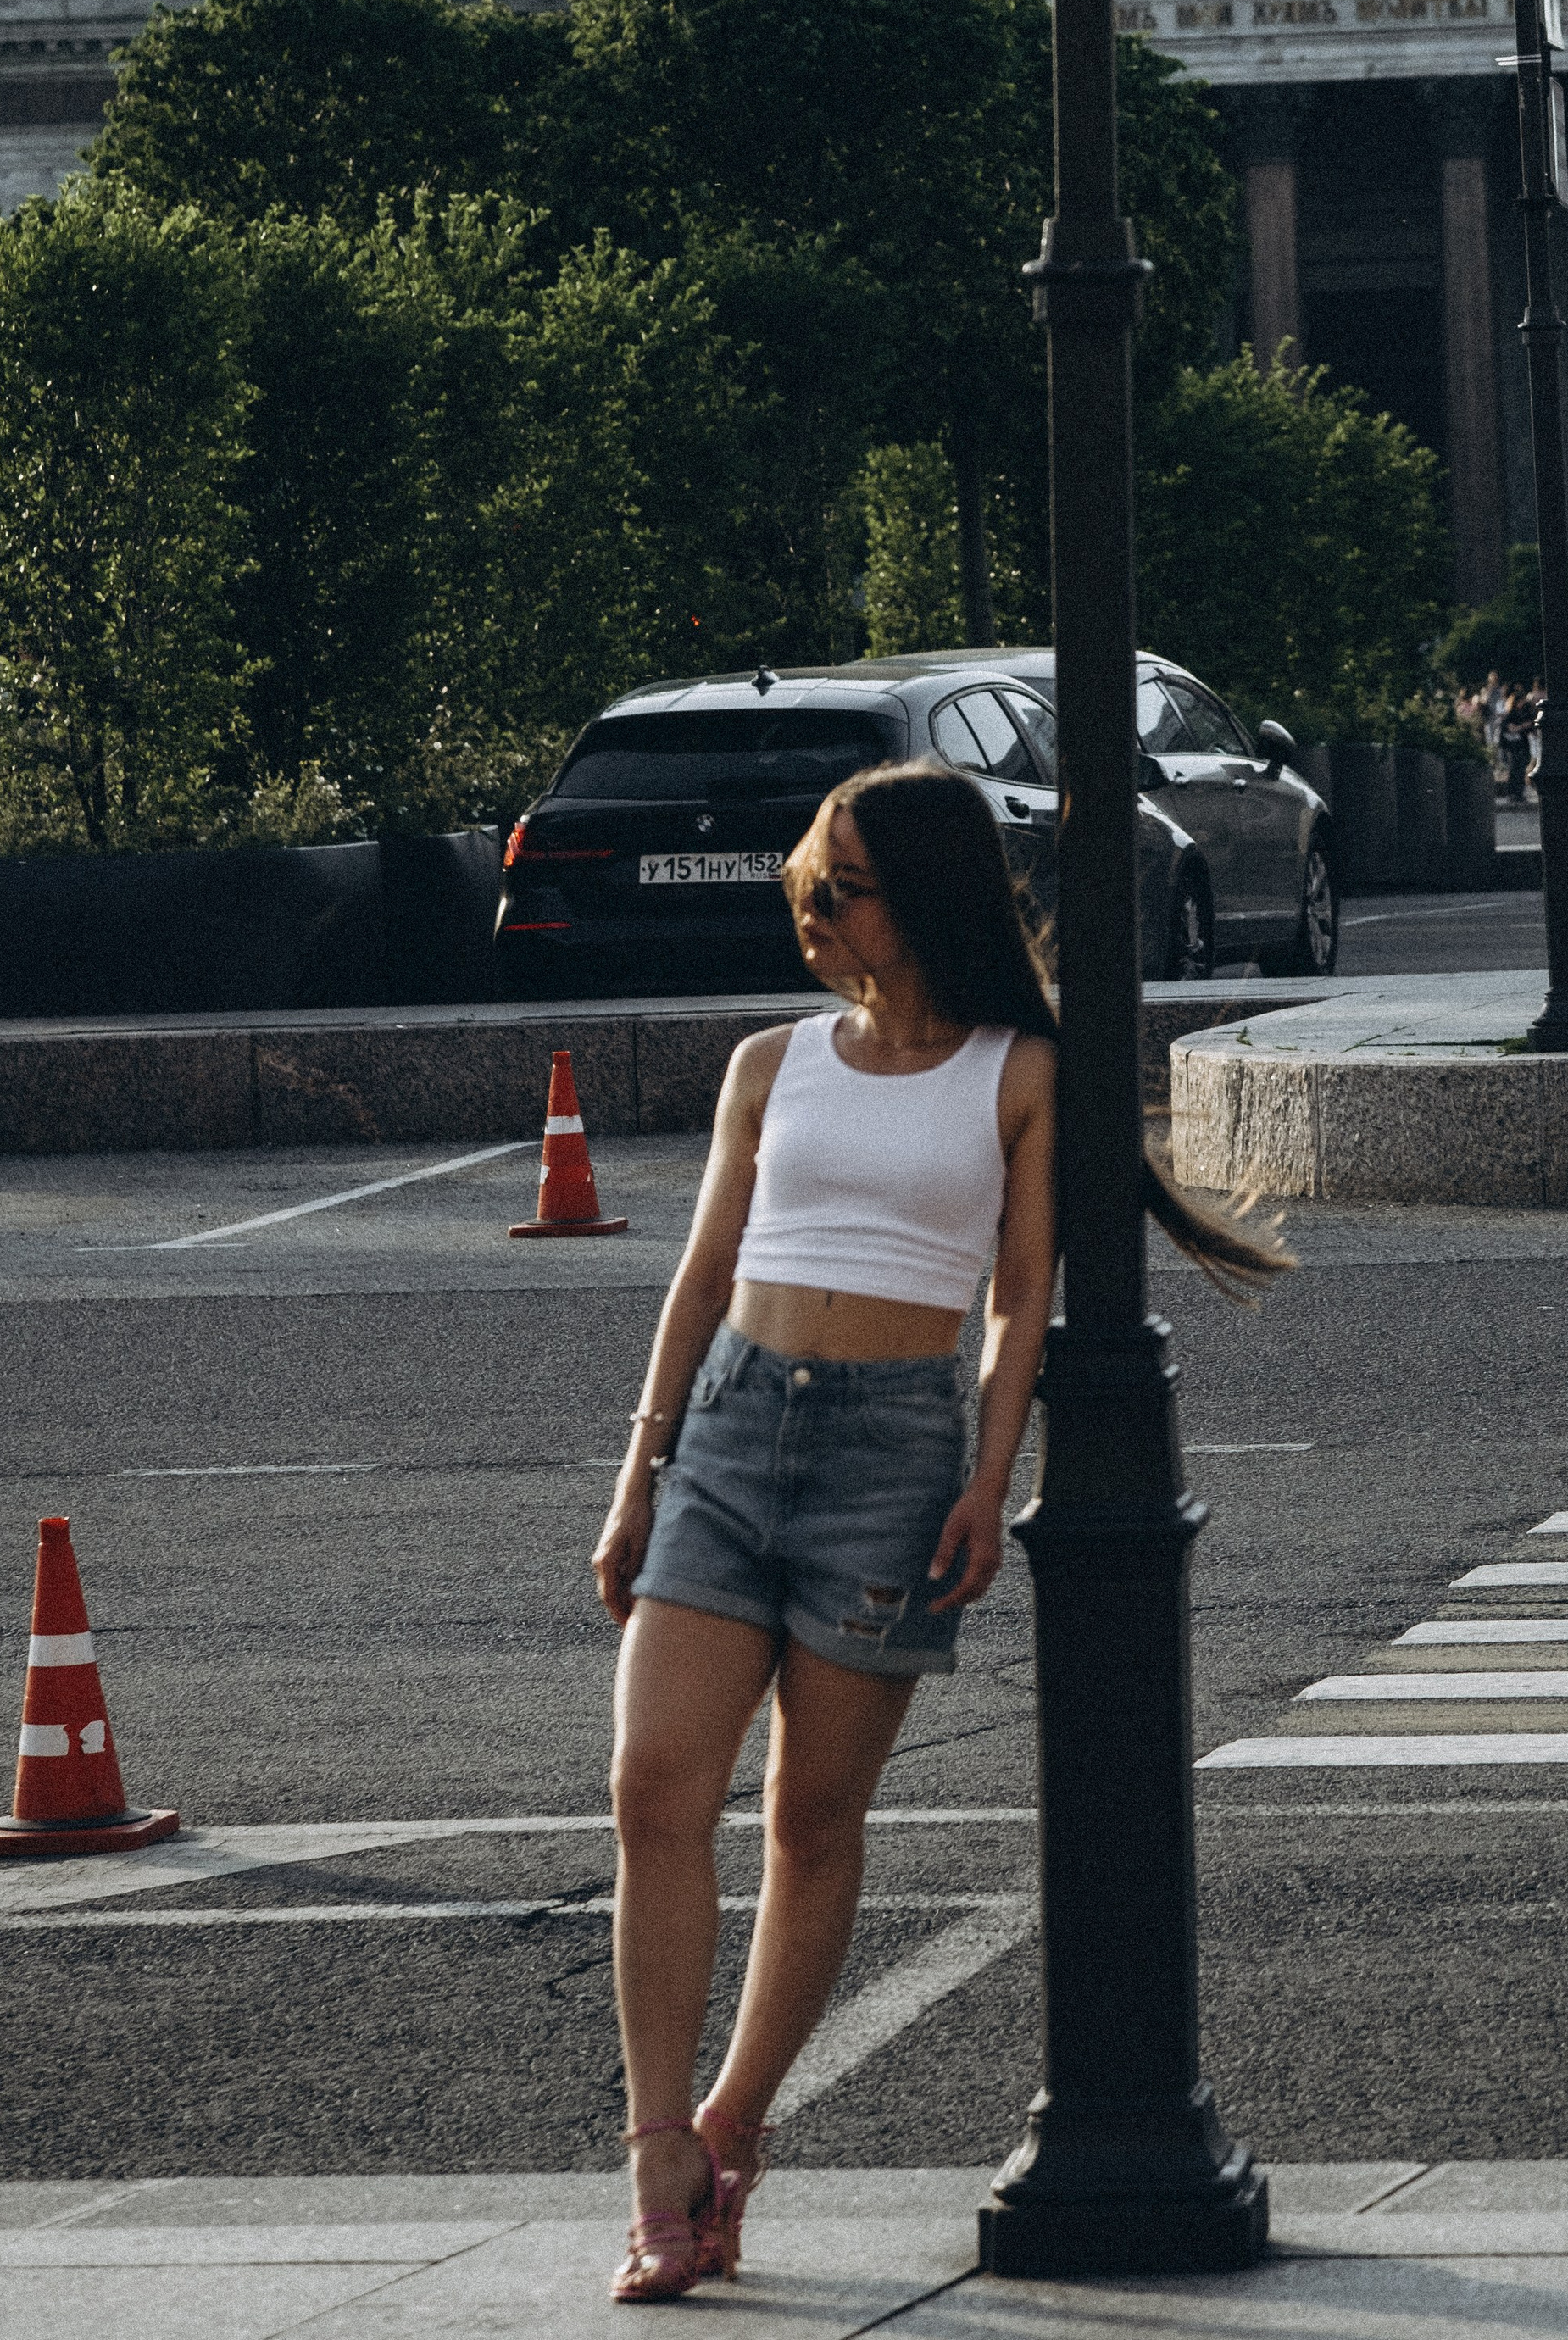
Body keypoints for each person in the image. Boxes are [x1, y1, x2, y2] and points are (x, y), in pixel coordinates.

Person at [592, 762, 1288, 2301]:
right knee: (653, 1789)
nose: (814, 907)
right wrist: (638, 1469)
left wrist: (988, 1476)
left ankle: (735, 2123)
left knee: (812, 1820)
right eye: (810, 881)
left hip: (893, 1453)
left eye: (843, 886)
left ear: (924, 900)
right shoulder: (772, 1064)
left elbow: (1017, 1295)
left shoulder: (1016, 1070)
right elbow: (701, 1274)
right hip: (727, 1426)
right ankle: (656, 2154)